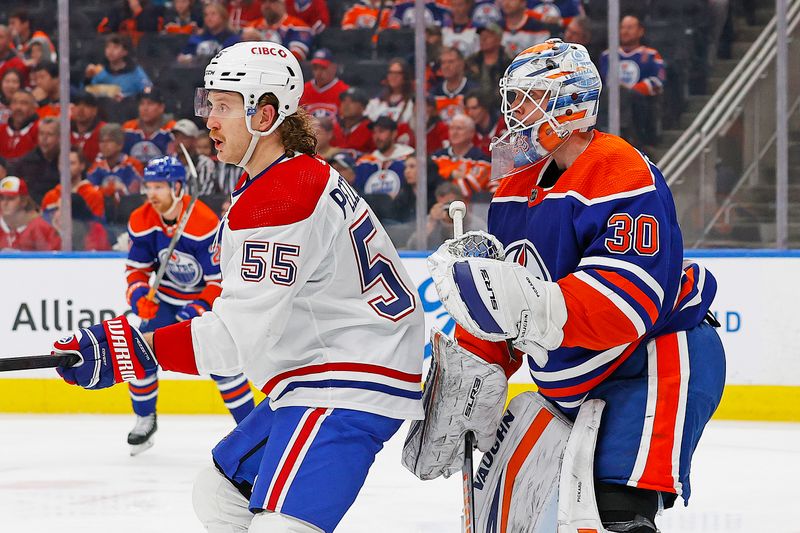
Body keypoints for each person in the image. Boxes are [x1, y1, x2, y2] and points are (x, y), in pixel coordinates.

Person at [51, 41, 424, 532]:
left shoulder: (281, 196)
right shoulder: (284, 178)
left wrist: (129, 349)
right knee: (219, 492)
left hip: (345, 378)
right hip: (325, 369)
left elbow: (233, 340)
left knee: (279, 526)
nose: (209, 119)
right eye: (208, 104)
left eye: (223, 106)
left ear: (265, 115)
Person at [404, 39, 726, 533]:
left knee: (614, 512)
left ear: (569, 104)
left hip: (653, 361)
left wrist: (522, 303)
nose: (513, 112)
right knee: (513, 513)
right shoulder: (514, 187)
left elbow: (623, 307)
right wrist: (470, 371)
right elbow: (506, 298)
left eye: (527, 98)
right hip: (571, 375)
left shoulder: (620, 172)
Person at [123, 155, 255, 455]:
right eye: (149, 186)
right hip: (167, 299)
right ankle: (145, 418)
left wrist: (193, 312)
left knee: (225, 365)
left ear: (178, 187)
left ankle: (251, 431)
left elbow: (217, 281)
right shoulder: (142, 219)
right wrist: (139, 296)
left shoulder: (203, 222)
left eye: (159, 186)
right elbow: (136, 269)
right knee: (139, 353)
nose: (151, 194)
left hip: (210, 304)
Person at [599, 15, 666, 148]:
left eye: (630, 28)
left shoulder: (651, 55)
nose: (625, 31)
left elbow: (658, 82)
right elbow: (601, 82)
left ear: (640, 31)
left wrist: (630, 90)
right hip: (610, 104)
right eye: (622, 28)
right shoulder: (607, 56)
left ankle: (632, 137)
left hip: (641, 108)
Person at [430, 113, 492, 199]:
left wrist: (442, 174)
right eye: (451, 128)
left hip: (467, 209)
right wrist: (452, 174)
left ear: (471, 133)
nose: (454, 132)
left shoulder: (482, 160)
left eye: (459, 128)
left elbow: (466, 189)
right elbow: (428, 184)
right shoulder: (436, 157)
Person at [41, 146, 105, 220]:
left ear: (82, 166)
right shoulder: (50, 196)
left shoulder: (93, 195)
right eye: (62, 163)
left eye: (71, 163)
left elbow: (96, 227)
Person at [8, 116, 60, 204]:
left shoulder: (69, 160)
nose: (44, 138)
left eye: (50, 134)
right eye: (41, 134)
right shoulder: (26, 162)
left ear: (60, 137)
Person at [0, 175, 60, 251]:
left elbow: (54, 258)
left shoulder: (40, 227)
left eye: (11, 198)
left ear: (23, 201)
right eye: (1, 198)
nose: (5, 203)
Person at [84, 34, 154, 99]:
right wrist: (88, 79)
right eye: (108, 47)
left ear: (125, 52)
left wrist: (126, 97)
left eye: (115, 47)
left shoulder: (136, 72)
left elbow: (148, 92)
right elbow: (87, 94)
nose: (110, 51)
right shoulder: (100, 71)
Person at [87, 122, 144, 198]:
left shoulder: (132, 165)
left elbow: (134, 193)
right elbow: (90, 191)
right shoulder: (96, 165)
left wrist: (106, 190)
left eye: (109, 141)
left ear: (120, 145)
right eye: (101, 141)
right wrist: (111, 190)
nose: (104, 145)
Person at [245, 0, 313, 61]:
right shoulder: (251, 26)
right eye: (264, 2)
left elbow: (297, 56)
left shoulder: (298, 26)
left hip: (283, 71)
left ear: (283, 4)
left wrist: (261, 41)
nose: (267, 5)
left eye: (272, 1)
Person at [122, 87, 176, 164]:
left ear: (161, 107)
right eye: (142, 104)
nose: (145, 108)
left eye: (150, 104)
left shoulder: (172, 129)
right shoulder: (128, 128)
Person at [299, 48, 350, 121]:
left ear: (334, 68)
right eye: (315, 68)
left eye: (323, 68)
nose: (318, 73)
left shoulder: (344, 91)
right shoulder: (303, 90)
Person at [432, 47, 477, 124]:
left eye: (451, 62)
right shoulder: (434, 92)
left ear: (462, 64)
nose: (446, 66)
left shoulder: (474, 90)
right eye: (443, 63)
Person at [464, 89, 506, 156]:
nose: (470, 113)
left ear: (485, 107)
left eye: (474, 108)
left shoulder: (504, 125)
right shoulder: (468, 131)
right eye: (468, 109)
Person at [0, 89, 38, 160]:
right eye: (14, 102)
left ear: (33, 108)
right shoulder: (1, 131)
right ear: (10, 106)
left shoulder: (39, 131)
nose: (18, 107)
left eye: (24, 103)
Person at [70, 91, 107, 164]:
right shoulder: (64, 130)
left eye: (86, 105)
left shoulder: (104, 131)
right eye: (77, 105)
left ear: (95, 111)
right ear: (72, 109)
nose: (80, 110)